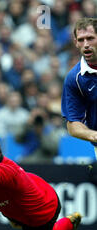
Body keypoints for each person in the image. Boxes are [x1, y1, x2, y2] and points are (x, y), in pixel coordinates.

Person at [61, 18, 97, 156]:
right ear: (75, 43)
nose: (86, 44)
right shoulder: (74, 79)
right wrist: (94, 135)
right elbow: (73, 125)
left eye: (90, 38)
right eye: (81, 40)